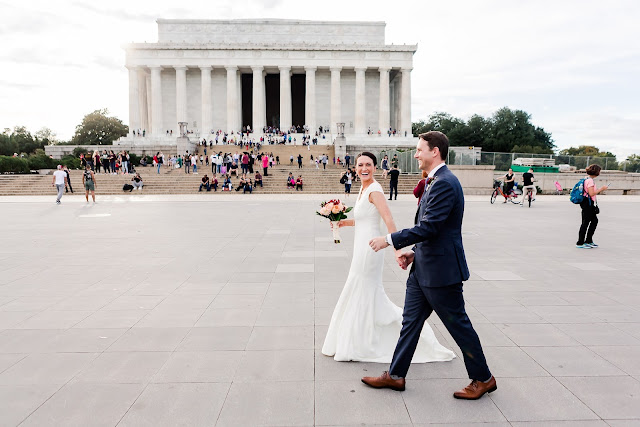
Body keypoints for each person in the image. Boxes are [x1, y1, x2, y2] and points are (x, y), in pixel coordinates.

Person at [366, 131, 495, 399]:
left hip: (442, 273)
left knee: (458, 325)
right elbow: (433, 231)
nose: (415, 154)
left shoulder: (446, 183)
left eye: (419, 149)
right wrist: (415, 253)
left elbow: (430, 226)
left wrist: (389, 240)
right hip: (423, 268)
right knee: (410, 323)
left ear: (434, 151)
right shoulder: (435, 181)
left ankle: (483, 378)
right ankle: (396, 375)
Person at [322, 151, 455, 367]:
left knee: (365, 289)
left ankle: (367, 340)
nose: (364, 168)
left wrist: (397, 249)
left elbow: (388, 219)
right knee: (360, 289)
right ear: (354, 168)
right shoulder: (363, 189)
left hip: (371, 250)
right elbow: (365, 219)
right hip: (361, 247)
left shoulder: (375, 189)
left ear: (375, 167)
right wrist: (343, 222)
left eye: (368, 165)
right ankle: (359, 338)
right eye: (360, 165)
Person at [576, 164, 608, 249]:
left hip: (587, 203)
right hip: (587, 203)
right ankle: (580, 242)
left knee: (593, 221)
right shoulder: (590, 181)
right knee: (586, 222)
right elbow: (591, 193)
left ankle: (588, 240)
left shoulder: (586, 179)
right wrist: (602, 189)